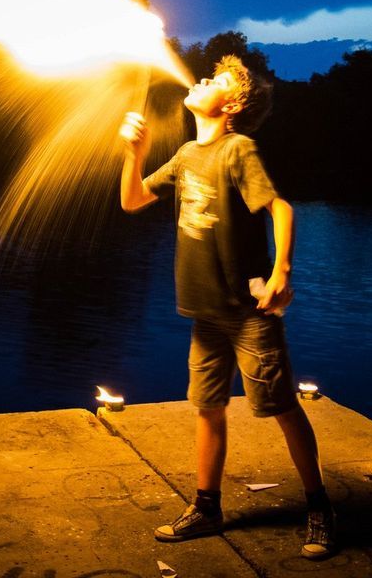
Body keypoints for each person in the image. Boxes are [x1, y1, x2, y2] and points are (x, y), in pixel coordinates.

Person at [118, 54, 336, 560]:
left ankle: (319, 507)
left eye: (215, 80)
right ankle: (207, 507)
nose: (200, 78)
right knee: (208, 409)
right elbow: (131, 201)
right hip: (205, 314)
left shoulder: (238, 149)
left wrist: (281, 272)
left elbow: (280, 208)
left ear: (233, 104)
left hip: (247, 314)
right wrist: (134, 153)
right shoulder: (186, 155)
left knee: (281, 408)